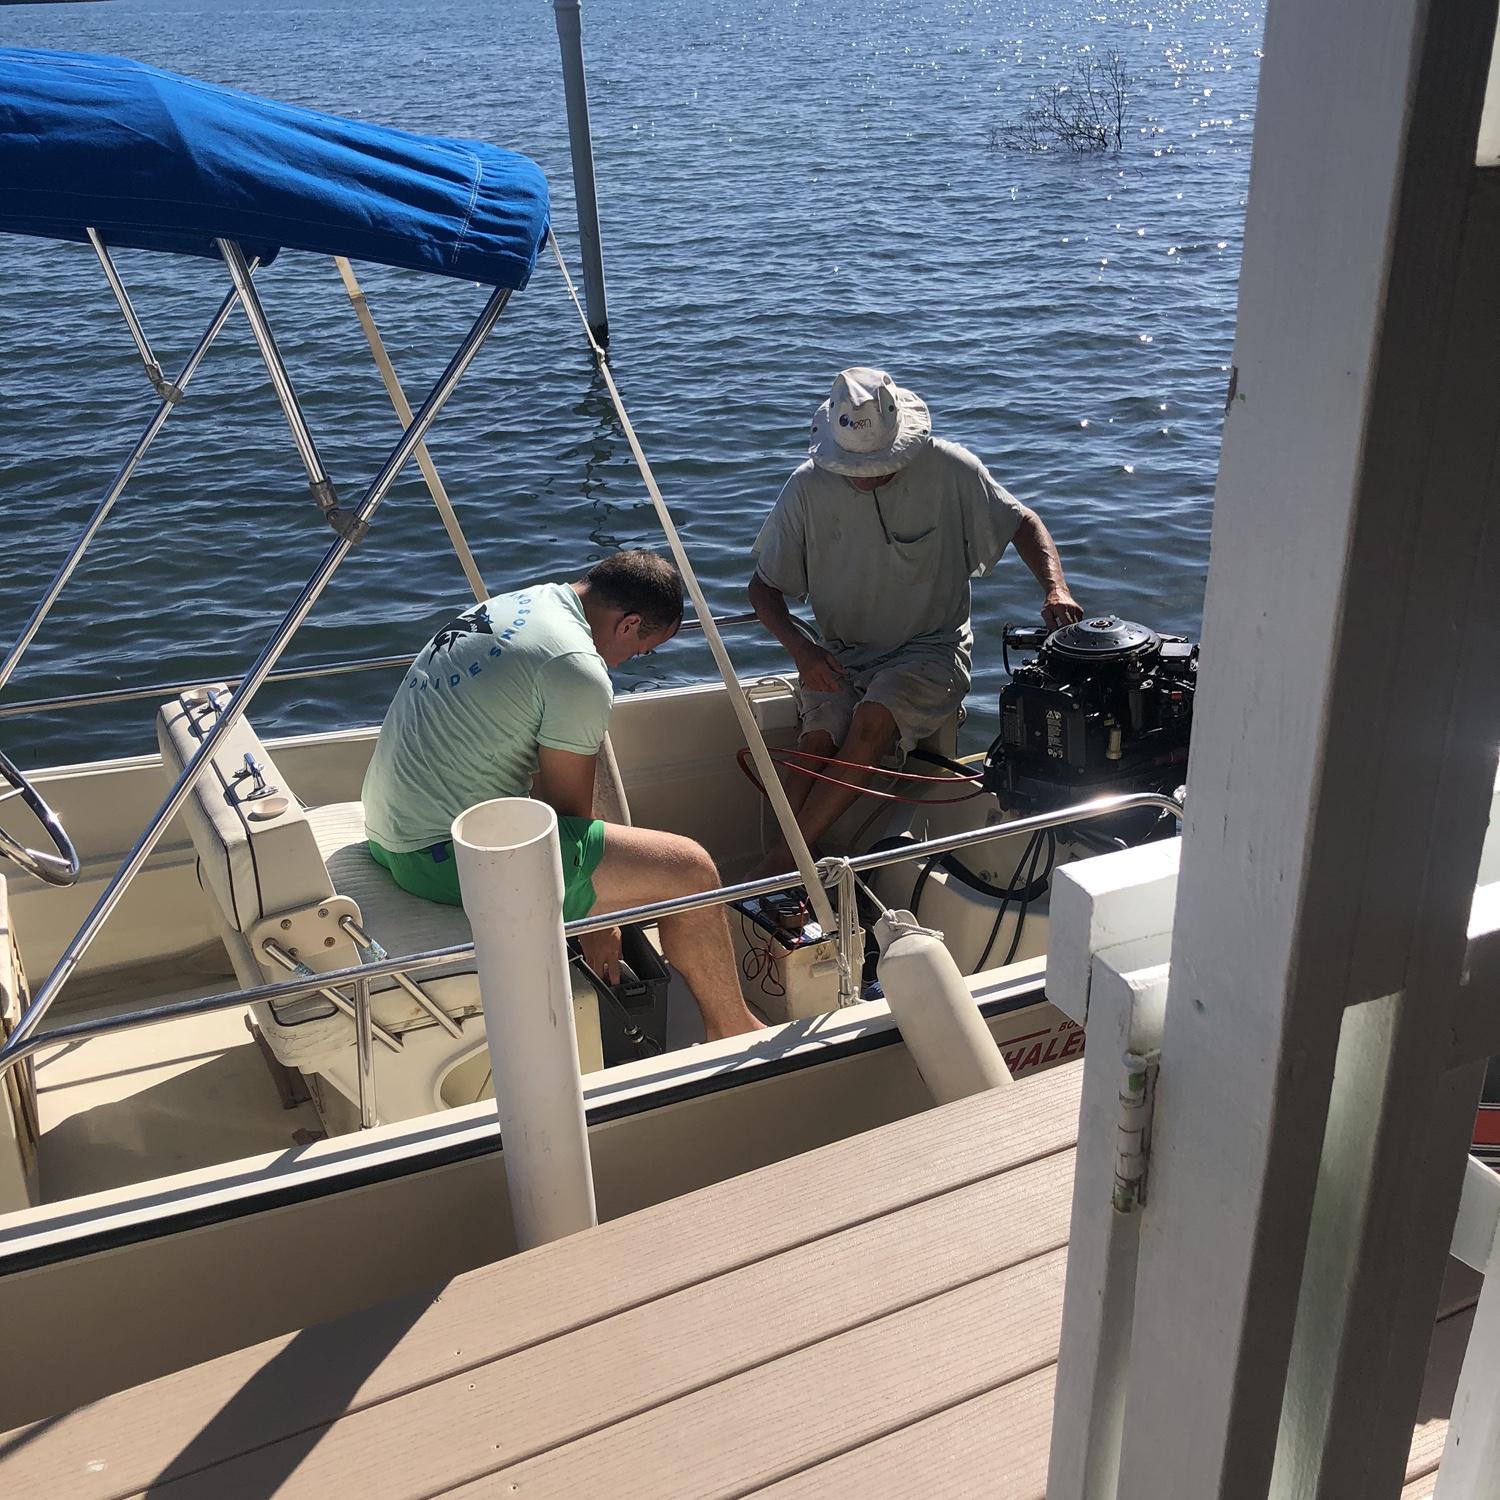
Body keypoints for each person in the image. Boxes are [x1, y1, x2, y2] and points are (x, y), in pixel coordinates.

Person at [362, 550, 765, 1041]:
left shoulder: (522, 604)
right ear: (628, 623)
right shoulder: (575, 667)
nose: (629, 662)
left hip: (386, 832)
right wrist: (597, 921)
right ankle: (731, 1027)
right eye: (642, 650)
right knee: (691, 870)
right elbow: (565, 814)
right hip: (440, 856)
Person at [748, 366, 1083, 863]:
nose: (867, 476)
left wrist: (1056, 588)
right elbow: (762, 589)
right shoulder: (805, 488)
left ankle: (780, 863)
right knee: (817, 738)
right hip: (839, 652)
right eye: (853, 466)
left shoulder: (951, 467)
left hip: (932, 648)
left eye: (879, 463)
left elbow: (1023, 522)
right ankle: (793, 861)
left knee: (871, 720)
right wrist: (803, 651)